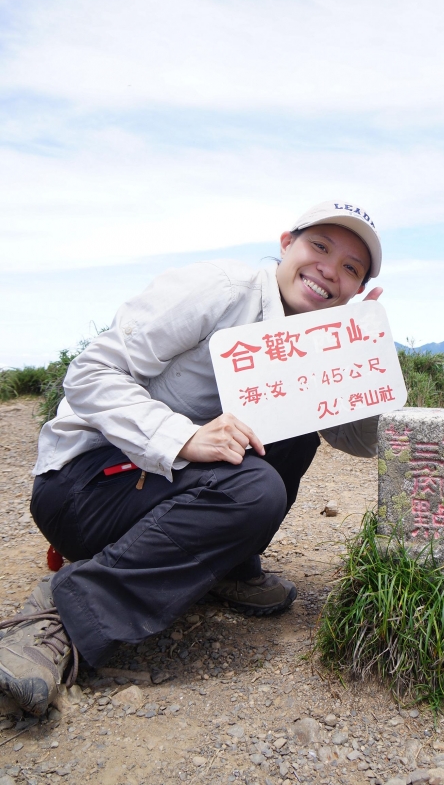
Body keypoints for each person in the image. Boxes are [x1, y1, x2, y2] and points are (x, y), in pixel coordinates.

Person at [0, 200, 384, 716]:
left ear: (356, 291)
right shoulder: (223, 288)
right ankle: (62, 617)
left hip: (156, 493)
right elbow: (89, 373)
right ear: (285, 243)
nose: (328, 271)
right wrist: (181, 437)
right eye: (319, 246)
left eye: (349, 268)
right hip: (83, 487)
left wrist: (361, 361)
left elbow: (359, 439)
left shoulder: (315, 341)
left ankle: (223, 565)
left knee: (293, 433)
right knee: (255, 487)